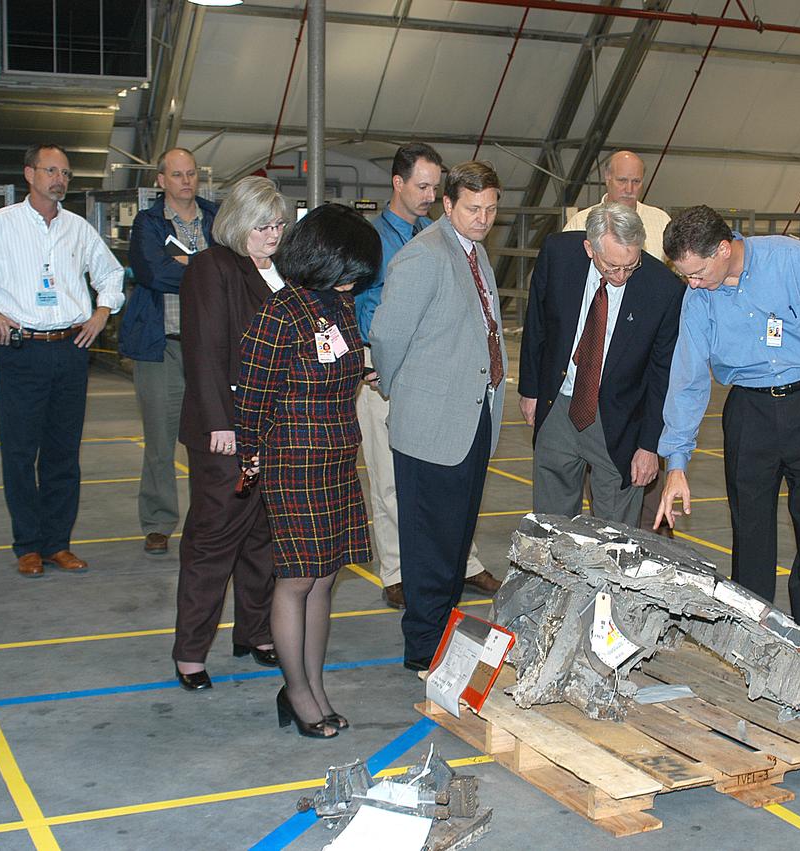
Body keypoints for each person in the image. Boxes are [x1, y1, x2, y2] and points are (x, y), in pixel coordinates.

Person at [655, 204, 800, 666]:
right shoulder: (697, 295)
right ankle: (752, 655)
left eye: (698, 273)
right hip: (749, 413)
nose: (693, 284)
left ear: (724, 249)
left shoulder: (793, 261)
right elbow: (688, 377)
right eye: (685, 277)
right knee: (751, 545)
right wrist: (676, 465)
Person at [0, 143, 123, 577]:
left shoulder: (78, 229)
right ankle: (27, 545)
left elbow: (111, 273)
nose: (59, 179)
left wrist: (101, 311)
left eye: (65, 173)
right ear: (29, 174)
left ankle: (58, 543)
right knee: (20, 454)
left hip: (71, 350)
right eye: (50, 170)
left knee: (63, 454)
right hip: (21, 352)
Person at [235, 204, 381, 739]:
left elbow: (340, 365)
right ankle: (296, 693)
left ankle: (314, 686)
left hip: (338, 456)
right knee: (296, 579)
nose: (355, 283)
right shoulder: (281, 313)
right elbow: (252, 396)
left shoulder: (337, 307)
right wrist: (249, 451)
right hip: (293, 460)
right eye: (349, 271)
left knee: (324, 577)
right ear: (322, 260)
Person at [371, 161, 509, 672]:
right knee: (429, 545)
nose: (483, 218)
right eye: (473, 208)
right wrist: (399, 389)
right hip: (431, 423)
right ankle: (424, 648)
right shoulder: (424, 255)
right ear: (448, 205)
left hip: (472, 419)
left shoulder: (474, 253)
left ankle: (444, 635)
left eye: (491, 209)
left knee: (453, 541)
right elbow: (387, 337)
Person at [173, 176, 287, 690]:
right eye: (264, 225)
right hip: (228, 431)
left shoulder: (280, 271)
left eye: (280, 224)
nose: (274, 234)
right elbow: (203, 351)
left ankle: (256, 631)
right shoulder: (211, 267)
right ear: (239, 224)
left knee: (263, 537)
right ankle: (191, 652)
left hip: (275, 429)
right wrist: (221, 423)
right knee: (212, 541)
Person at [519, 202, 683, 526]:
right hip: (558, 406)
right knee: (551, 525)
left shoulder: (663, 288)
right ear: (589, 248)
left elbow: (662, 375)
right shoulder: (558, 254)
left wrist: (649, 446)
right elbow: (537, 323)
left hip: (620, 421)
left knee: (615, 534)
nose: (621, 276)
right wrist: (530, 390)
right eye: (612, 267)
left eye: (630, 265)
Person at [120, 148, 219, 556]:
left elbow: (234, 268)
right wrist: (202, 267)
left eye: (191, 174)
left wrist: (183, 262)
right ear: (161, 180)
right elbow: (152, 272)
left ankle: (209, 519)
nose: (185, 181)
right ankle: (159, 522)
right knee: (160, 441)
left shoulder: (216, 218)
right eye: (177, 175)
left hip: (209, 350)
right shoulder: (147, 223)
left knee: (212, 439)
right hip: (160, 348)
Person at [564, 151, 671, 263]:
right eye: (622, 180)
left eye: (636, 181)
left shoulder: (662, 221)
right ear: (607, 177)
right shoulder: (579, 223)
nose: (629, 189)